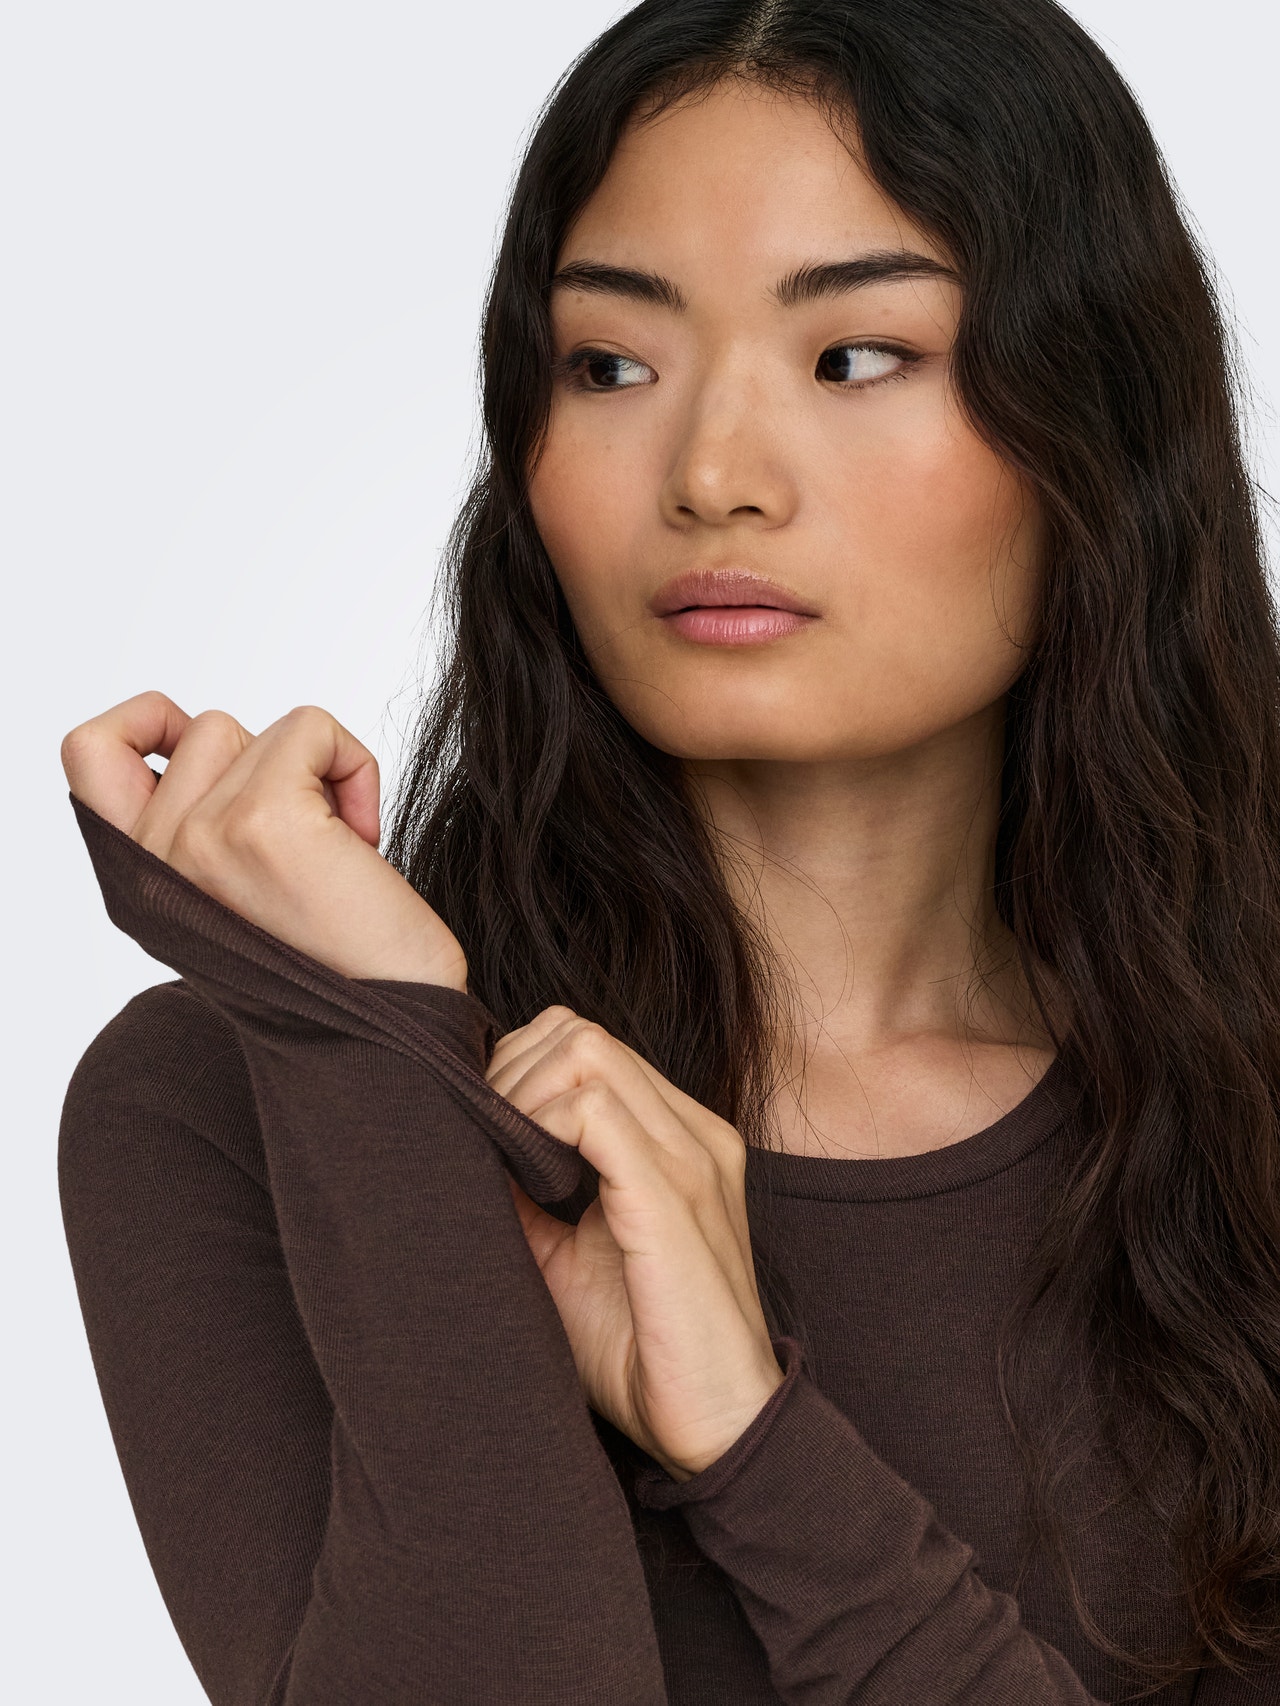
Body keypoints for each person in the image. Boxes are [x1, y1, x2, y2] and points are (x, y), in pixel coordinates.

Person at [57, 0, 1280, 1700]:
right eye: (611, 366)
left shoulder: (1247, 1110)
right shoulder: (233, 1102)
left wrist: (760, 1449)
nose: (711, 474)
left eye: (857, 357)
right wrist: (378, 1049)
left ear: (1101, 419)